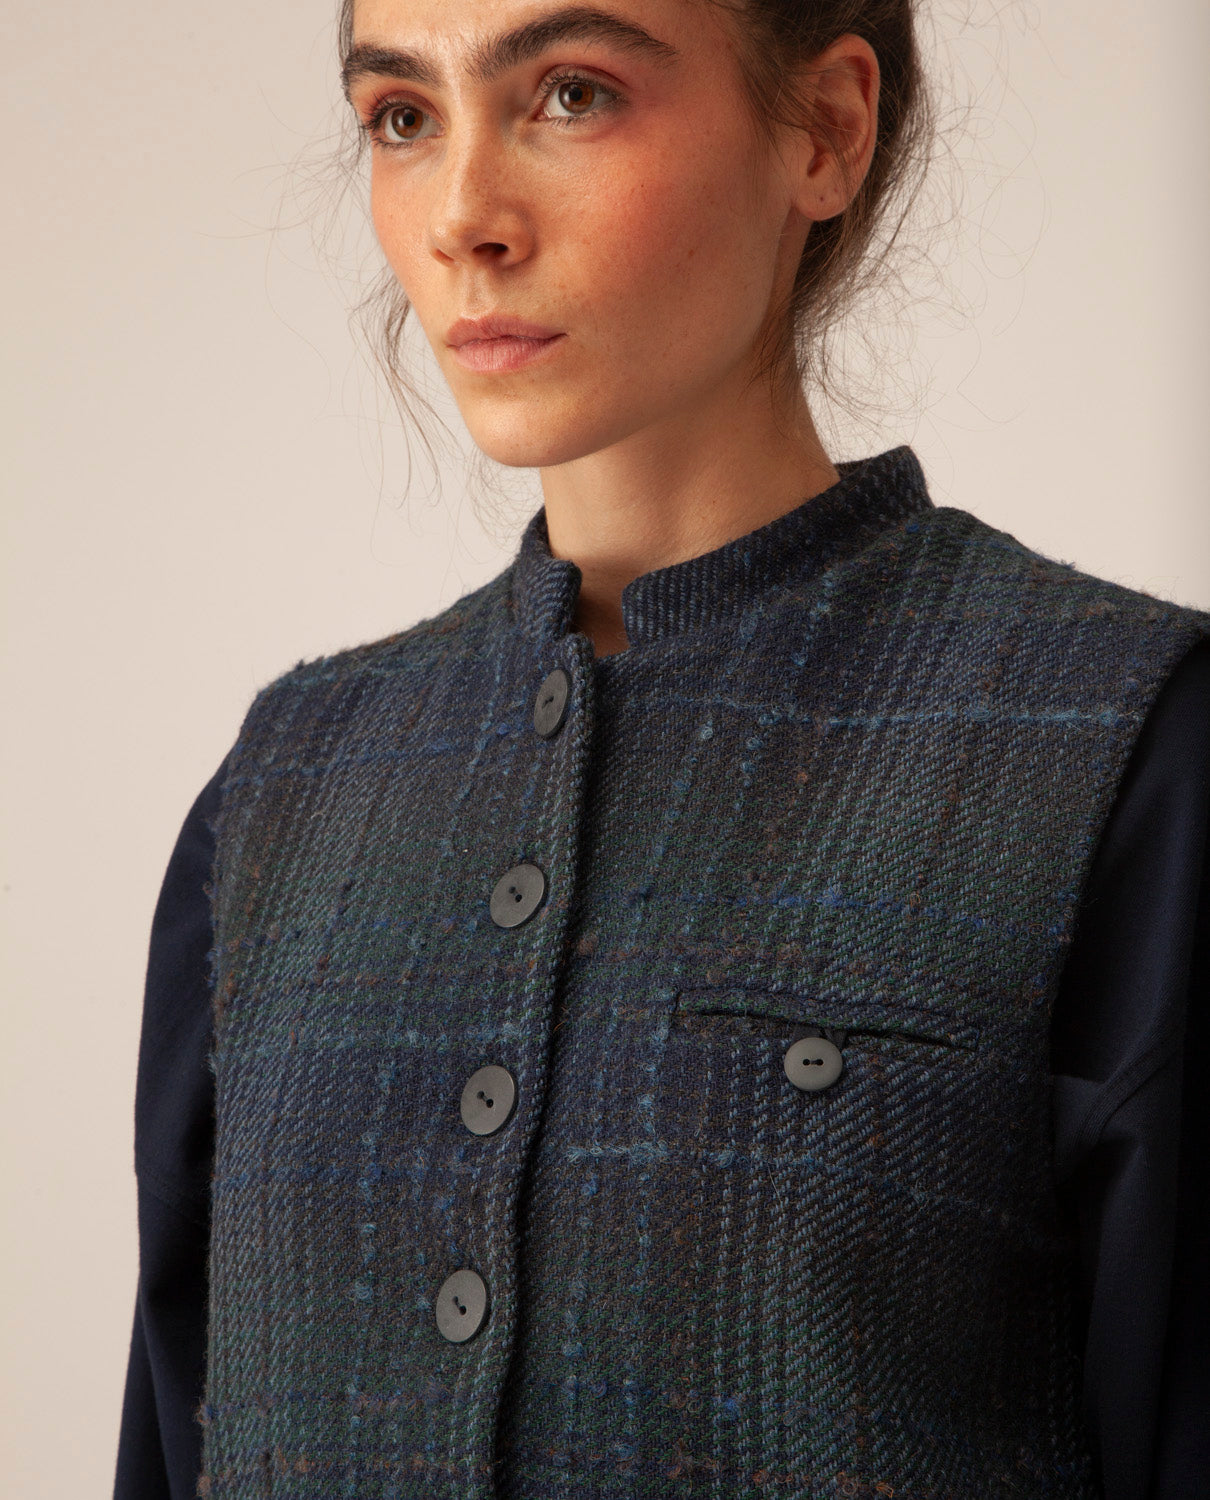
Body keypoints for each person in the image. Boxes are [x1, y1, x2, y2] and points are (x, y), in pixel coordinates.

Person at [113, 0, 1210, 1496]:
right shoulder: (281, 791)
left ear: (824, 129)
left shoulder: (1125, 745)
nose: (462, 217)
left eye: (571, 94)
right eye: (403, 117)